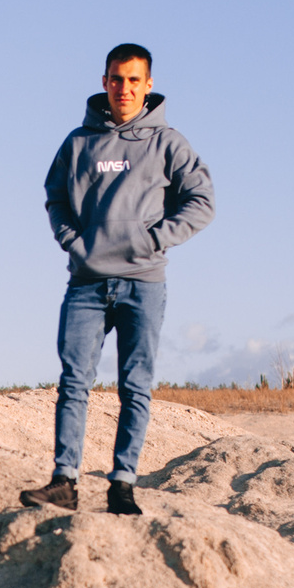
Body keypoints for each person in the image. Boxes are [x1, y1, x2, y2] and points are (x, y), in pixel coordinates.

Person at [21, 43, 216, 516]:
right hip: (86, 282)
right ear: (104, 81)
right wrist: (74, 241)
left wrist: (154, 240)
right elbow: (55, 197)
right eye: (115, 79)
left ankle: (122, 486)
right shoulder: (78, 142)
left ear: (148, 85)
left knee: (135, 385)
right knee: (74, 381)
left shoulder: (168, 143)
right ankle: (64, 481)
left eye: (133, 80)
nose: (123, 89)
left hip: (143, 282)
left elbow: (202, 201)